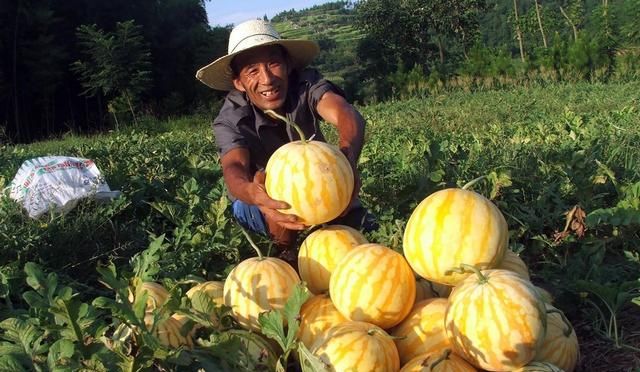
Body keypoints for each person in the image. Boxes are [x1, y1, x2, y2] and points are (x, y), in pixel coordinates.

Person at [195, 19, 377, 257]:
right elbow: (234, 167)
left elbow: (345, 113)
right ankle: (284, 256)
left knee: (367, 234)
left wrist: (348, 160)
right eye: (252, 71)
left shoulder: (306, 84)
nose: (267, 79)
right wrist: (253, 193)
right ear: (238, 82)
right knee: (278, 203)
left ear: (288, 64)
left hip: (315, 185)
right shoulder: (230, 118)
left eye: (273, 63)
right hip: (256, 198)